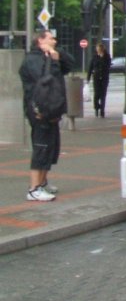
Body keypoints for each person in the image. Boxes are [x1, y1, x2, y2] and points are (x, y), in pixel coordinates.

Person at [18, 30, 74, 202]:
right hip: (40, 111)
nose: (54, 40)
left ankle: (42, 182)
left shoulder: (48, 56)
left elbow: (70, 65)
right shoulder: (33, 59)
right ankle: (34, 189)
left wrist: (58, 54)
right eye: (51, 38)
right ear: (40, 40)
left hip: (52, 110)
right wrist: (54, 61)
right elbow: (47, 79)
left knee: (50, 148)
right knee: (41, 148)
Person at [86, 42, 112, 117]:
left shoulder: (107, 56)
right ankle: (97, 107)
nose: (98, 51)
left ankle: (102, 111)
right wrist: (88, 78)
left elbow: (107, 66)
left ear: (102, 49)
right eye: (97, 49)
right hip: (96, 78)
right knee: (97, 94)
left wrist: (102, 57)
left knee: (103, 95)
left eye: (99, 49)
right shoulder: (94, 57)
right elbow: (90, 68)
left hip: (104, 78)